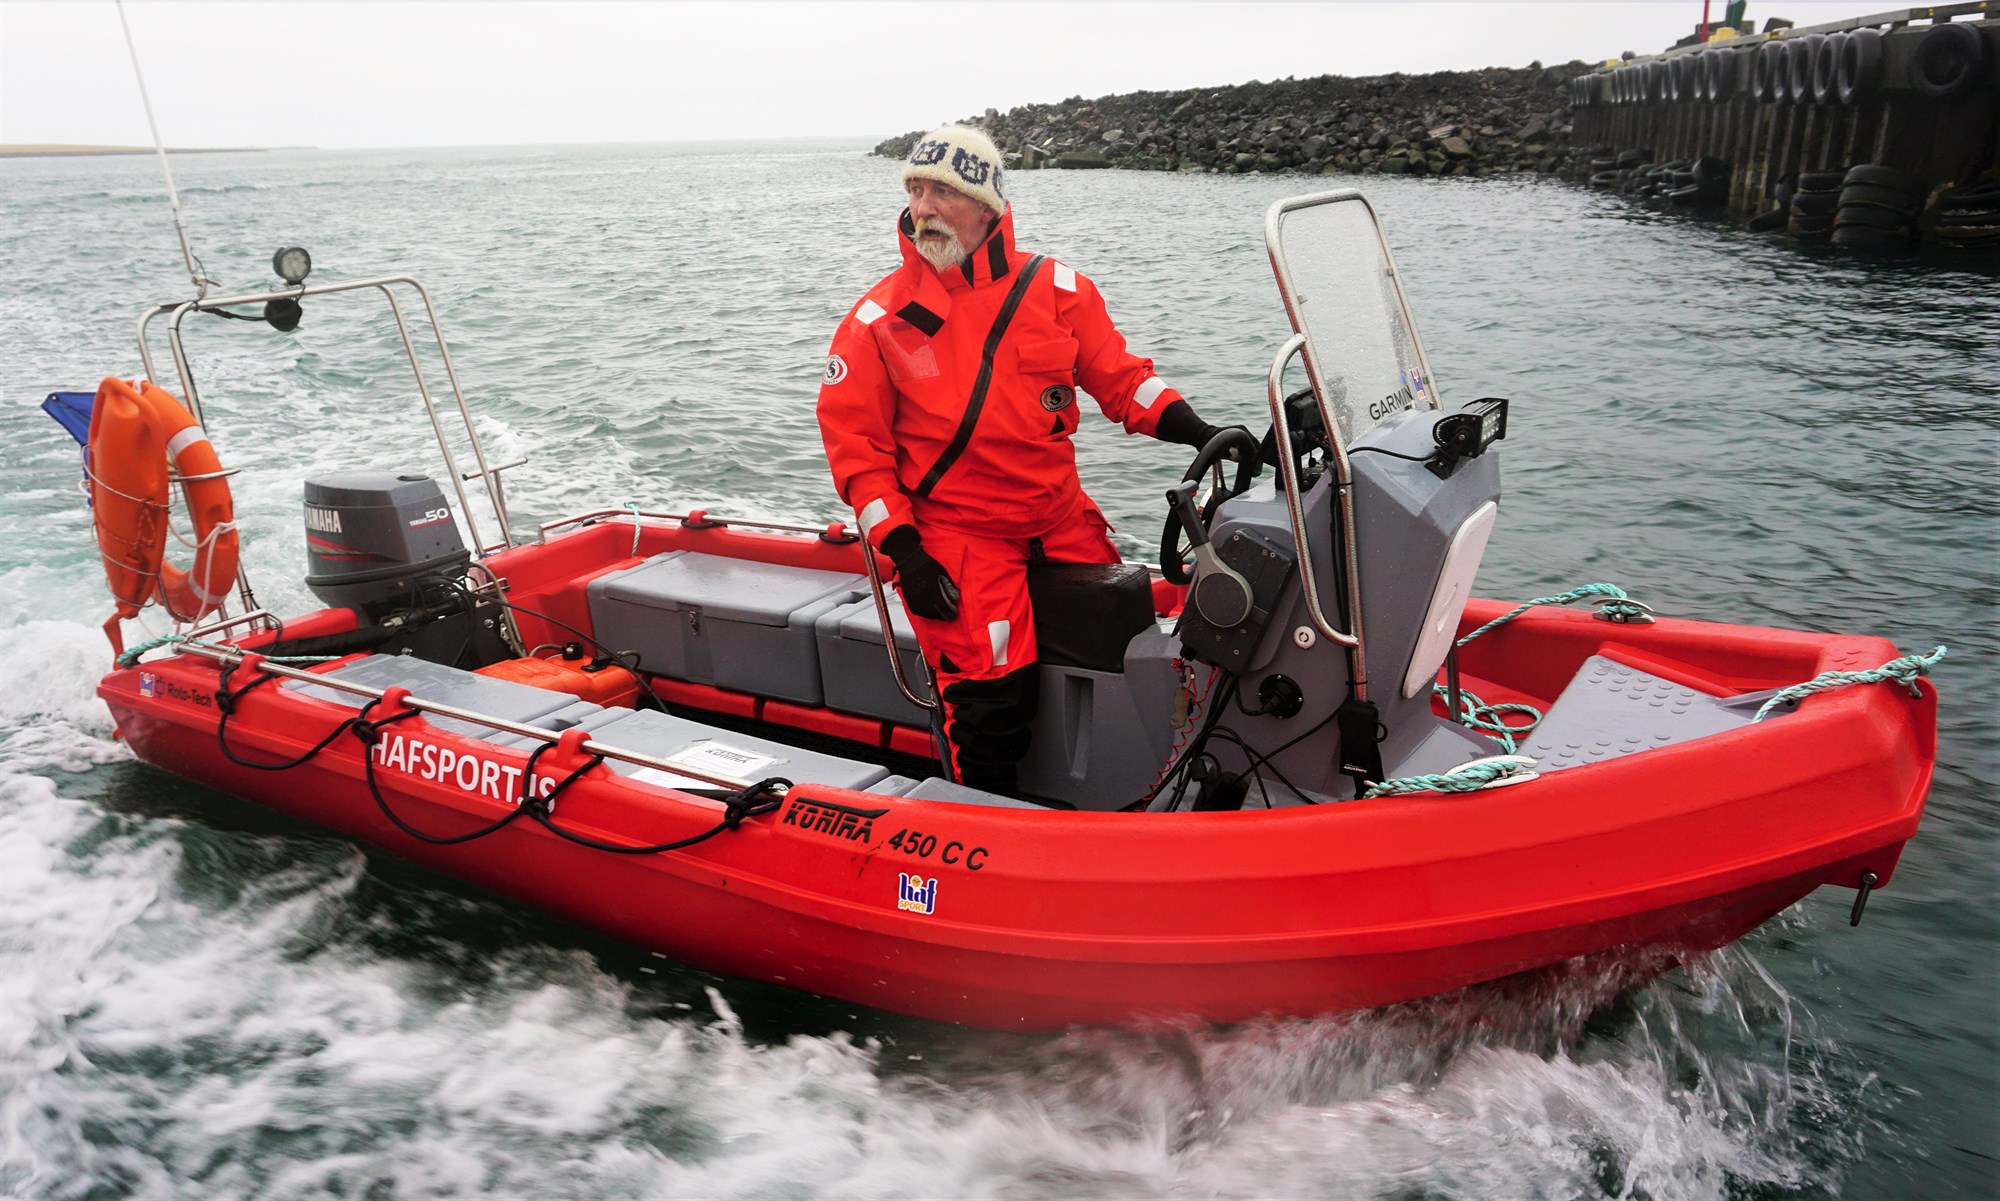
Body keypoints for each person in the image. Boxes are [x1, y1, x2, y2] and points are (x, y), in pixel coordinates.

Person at [816, 123, 1232, 796]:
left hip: (1059, 519)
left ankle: (1116, 795)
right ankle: (984, 821)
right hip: (959, 536)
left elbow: (1123, 381)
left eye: (943, 192)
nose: (923, 208)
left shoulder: (1057, 289)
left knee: (1127, 650)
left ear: (987, 205)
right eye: (915, 190)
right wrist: (906, 552)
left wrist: (1202, 432)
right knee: (991, 700)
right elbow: (857, 455)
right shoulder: (877, 322)